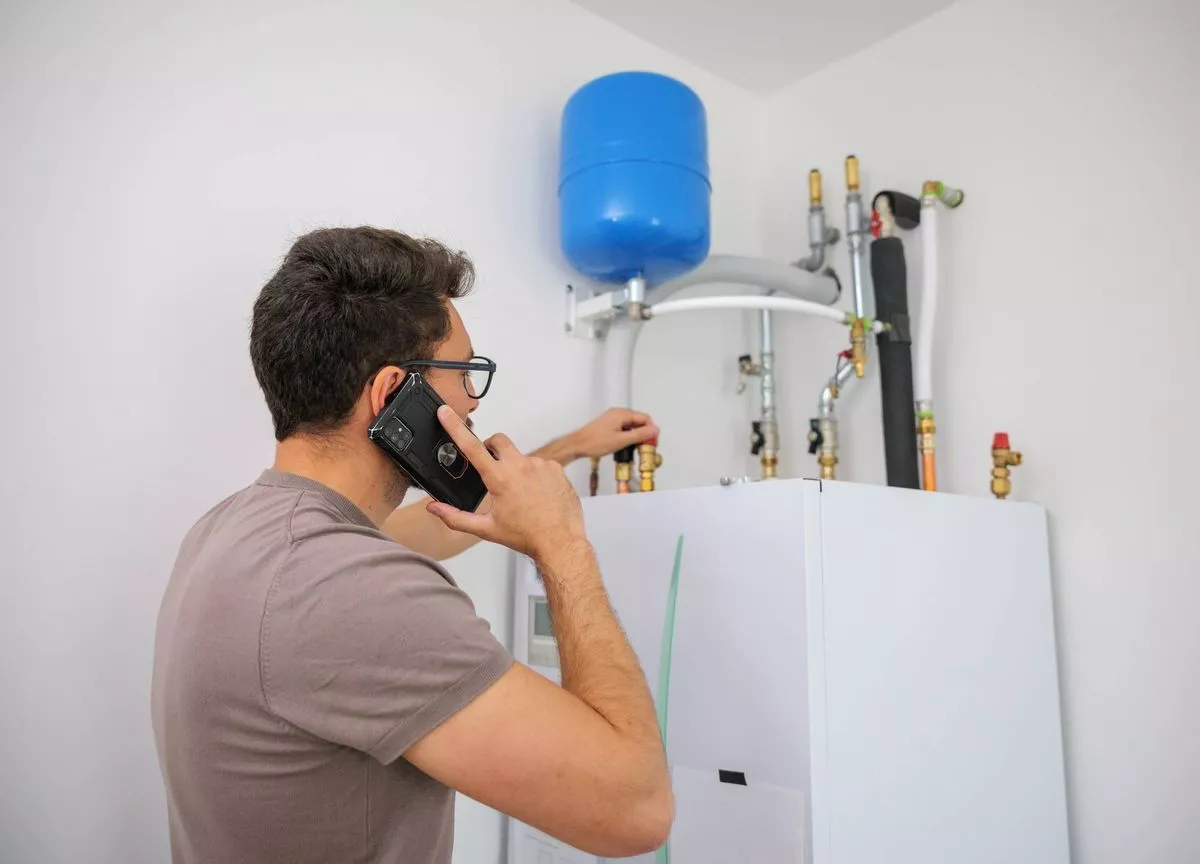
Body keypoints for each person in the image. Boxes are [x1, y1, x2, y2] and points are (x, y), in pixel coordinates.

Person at [151, 226, 672, 864]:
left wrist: (565, 451)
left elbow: (426, 528)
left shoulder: (238, 532)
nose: (472, 403)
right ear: (393, 392)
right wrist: (562, 544)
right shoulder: (350, 589)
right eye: (464, 374)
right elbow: (636, 808)